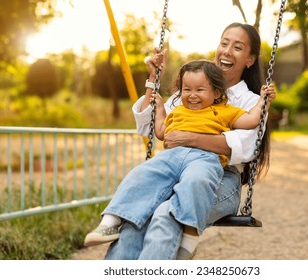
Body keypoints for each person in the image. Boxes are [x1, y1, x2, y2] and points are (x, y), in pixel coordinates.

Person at [103, 22, 274, 260]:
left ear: (249, 59)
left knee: (165, 212)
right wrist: (153, 78)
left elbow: (243, 148)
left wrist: (190, 138)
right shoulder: (194, 88)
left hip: (220, 179)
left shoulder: (251, 102)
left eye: (237, 47)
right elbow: (148, 126)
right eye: (224, 43)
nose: (226, 51)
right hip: (175, 170)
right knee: (138, 215)